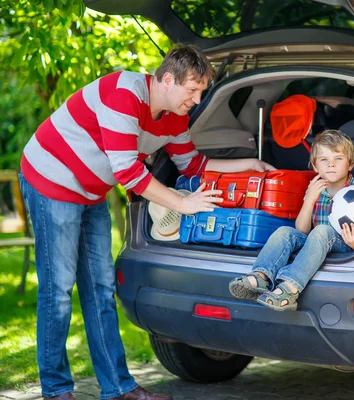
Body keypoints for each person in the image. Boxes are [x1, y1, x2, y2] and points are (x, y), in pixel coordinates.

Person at [18, 44, 273, 400]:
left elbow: (193, 166)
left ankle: (119, 389)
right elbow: (129, 173)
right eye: (193, 90)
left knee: (100, 290)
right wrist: (182, 204)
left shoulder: (175, 116)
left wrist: (249, 166)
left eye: (202, 91)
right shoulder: (124, 95)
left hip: (91, 191)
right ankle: (57, 391)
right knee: (58, 292)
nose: (198, 100)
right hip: (51, 181)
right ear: (168, 79)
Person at [228, 129, 354, 311]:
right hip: (315, 242)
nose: (331, 165)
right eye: (324, 160)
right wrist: (309, 200)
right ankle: (261, 276)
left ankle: (289, 289)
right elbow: (302, 230)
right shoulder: (316, 188)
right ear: (315, 166)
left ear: (350, 164)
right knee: (284, 232)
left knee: (322, 230)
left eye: (338, 159)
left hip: (343, 244)